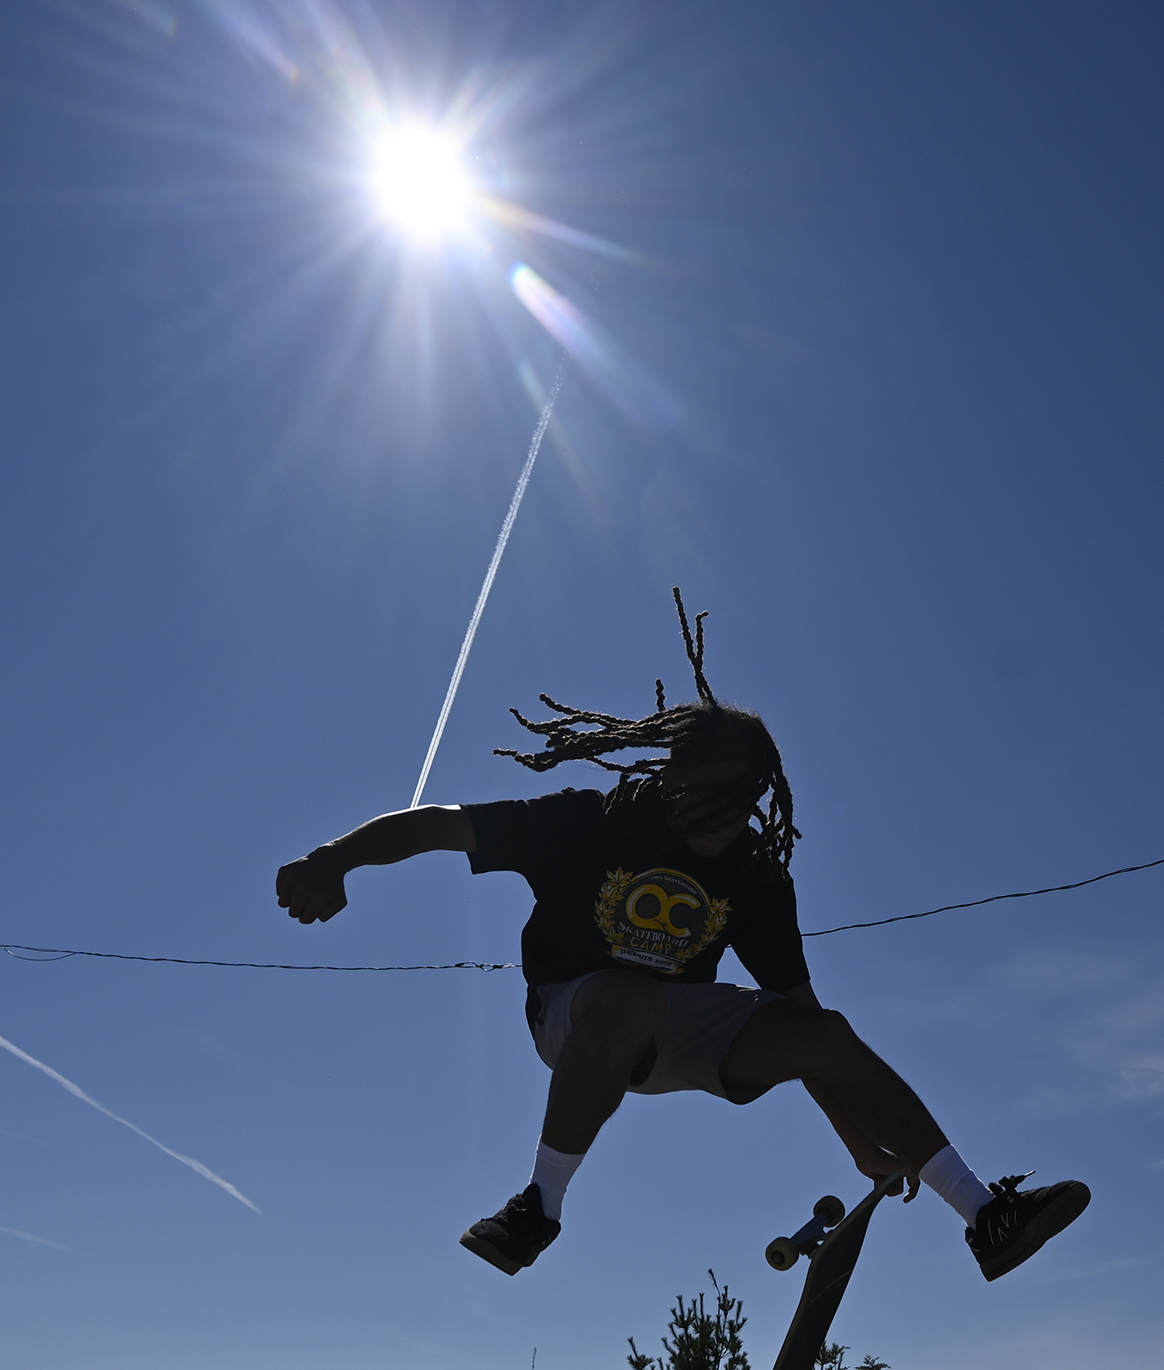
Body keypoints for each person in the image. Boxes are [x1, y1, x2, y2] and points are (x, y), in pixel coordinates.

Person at [276, 591, 1089, 1281]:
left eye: (741, 805)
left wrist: (857, 1142)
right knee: (627, 997)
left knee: (826, 1029)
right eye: (708, 798)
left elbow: (807, 1027)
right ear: (672, 780)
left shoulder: (754, 875)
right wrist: (334, 858)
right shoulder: (588, 824)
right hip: (572, 1010)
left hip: (686, 1025)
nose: (723, 821)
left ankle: (983, 1215)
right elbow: (442, 825)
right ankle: (538, 1205)